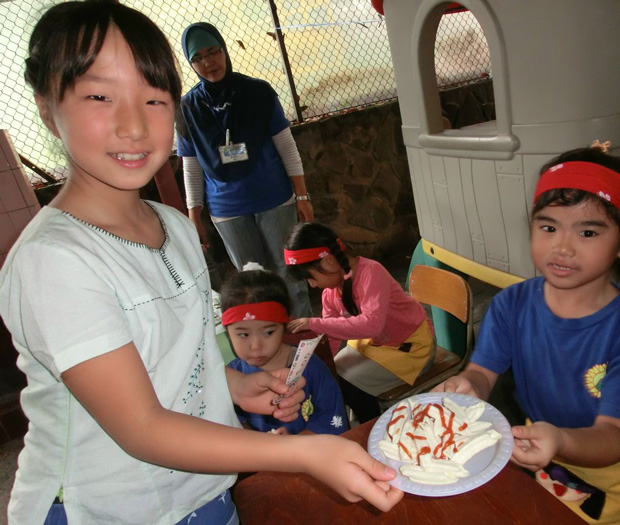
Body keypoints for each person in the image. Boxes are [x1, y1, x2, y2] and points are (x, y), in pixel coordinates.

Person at [0, 3, 403, 523]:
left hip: (200, 492)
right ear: (46, 106)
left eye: (154, 99)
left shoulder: (174, 230)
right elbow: (141, 426)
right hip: (101, 509)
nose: (133, 125)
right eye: (100, 96)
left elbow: (173, 361)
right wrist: (302, 451)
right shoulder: (54, 262)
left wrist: (231, 386)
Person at [434, 145, 620, 524]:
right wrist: (468, 384)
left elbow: (615, 437)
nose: (562, 246)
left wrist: (562, 440)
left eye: (587, 231)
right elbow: (482, 373)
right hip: (550, 461)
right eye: (548, 227)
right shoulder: (511, 305)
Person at [177, 22, 312, 318]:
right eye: (198, 57)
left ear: (225, 50)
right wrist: (194, 216)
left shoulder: (258, 92)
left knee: (289, 273)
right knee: (253, 280)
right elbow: (191, 166)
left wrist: (302, 197)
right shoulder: (187, 109)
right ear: (191, 64)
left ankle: (307, 341)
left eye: (214, 52)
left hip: (274, 198)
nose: (209, 62)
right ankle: (273, 343)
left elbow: (287, 147)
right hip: (228, 209)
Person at [284, 222, 436, 423]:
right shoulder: (329, 293)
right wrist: (316, 364)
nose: (311, 284)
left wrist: (314, 323)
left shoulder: (372, 272)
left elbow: (372, 325)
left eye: (309, 277)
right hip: (375, 345)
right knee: (332, 376)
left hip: (411, 347)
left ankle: (372, 427)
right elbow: (331, 337)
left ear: (328, 261)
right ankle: (363, 418)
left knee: (349, 384)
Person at [222, 262, 349, 435]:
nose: (255, 347)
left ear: (285, 325)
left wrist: (292, 445)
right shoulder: (228, 379)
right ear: (228, 333)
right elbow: (231, 425)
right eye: (243, 335)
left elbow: (332, 420)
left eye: (268, 332)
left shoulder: (310, 367)